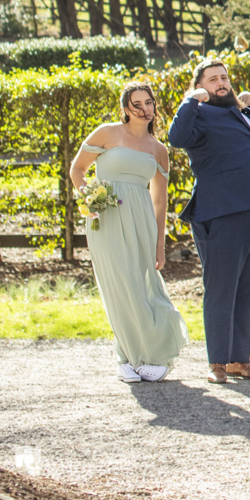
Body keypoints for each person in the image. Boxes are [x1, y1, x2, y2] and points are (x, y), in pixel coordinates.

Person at [169, 59, 250, 384]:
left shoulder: (238, 111)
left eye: (224, 77)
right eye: (213, 79)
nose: (221, 82)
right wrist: (191, 100)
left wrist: (249, 106)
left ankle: (238, 360)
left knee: (247, 288)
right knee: (221, 289)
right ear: (200, 85)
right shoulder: (198, 113)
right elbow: (177, 138)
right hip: (221, 211)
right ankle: (217, 363)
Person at [70, 82, 187, 382]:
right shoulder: (106, 134)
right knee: (118, 285)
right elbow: (77, 170)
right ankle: (126, 357)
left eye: (149, 102)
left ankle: (154, 352)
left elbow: (159, 200)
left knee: (143, 285)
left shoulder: (159, 150)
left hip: (141, 221)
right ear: (125, 108)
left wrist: (160, 245)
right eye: (137, 104)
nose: (145, 109)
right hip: (106, 219)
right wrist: (90, 199)